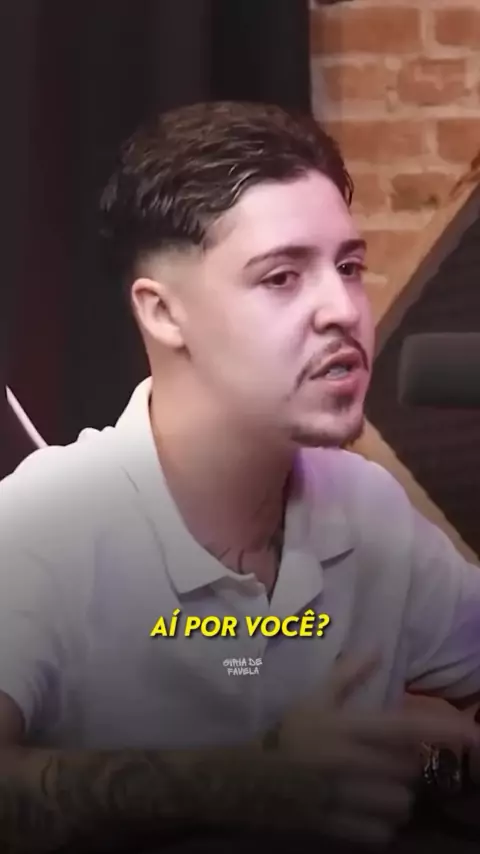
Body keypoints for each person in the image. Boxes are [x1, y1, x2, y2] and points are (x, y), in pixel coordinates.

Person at [0, 101, 479, 854]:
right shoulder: (42, 523)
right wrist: (243, 782)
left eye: (349, 267)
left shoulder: (367, 509)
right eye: (282, 277)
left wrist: (431, 767)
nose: (342, 309)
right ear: (163, 313)